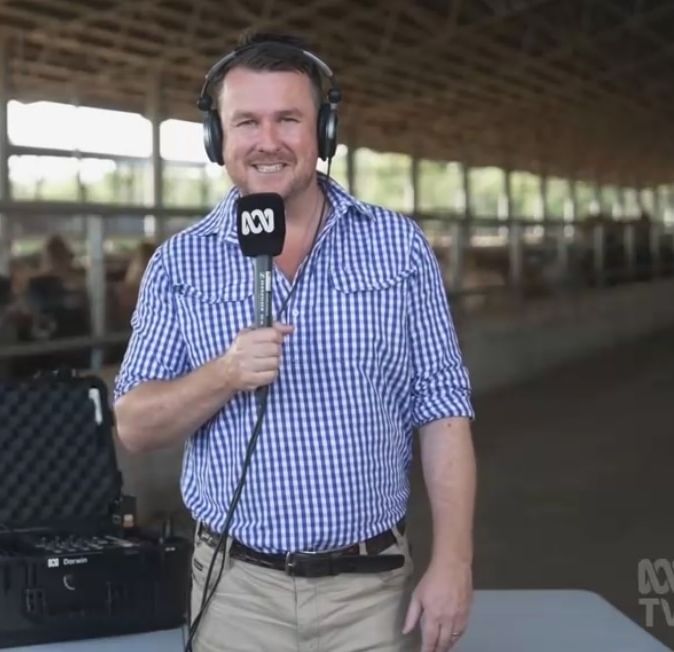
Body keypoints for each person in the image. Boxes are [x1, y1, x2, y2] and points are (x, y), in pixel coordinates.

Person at [112, 30, 477, 652]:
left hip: (371, 589)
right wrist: (224, 373)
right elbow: (134, 426)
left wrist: (454, 562)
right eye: (246, 122)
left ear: (324, 132)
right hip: (233, 592)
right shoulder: (178, 265)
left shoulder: (398, 247)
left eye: (289, 119)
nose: (268, 141)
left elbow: (443, 410)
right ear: (217, 138)